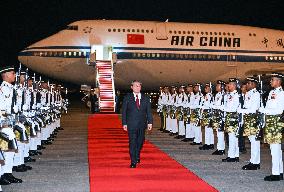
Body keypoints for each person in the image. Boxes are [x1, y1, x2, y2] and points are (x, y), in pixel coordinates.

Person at [122, 80, 153, 168]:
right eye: (136, 86)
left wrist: (150, 122)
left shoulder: (145, 98)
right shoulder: (127, 97)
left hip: (142, 124)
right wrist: (124, 123)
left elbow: (149, 111)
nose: (137, 87)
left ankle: (137, 153)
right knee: (132, 142)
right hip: (131, 124)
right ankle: (133, 161)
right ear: (132, 87)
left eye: (139, 86)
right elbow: (124, 111)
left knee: (140, 141)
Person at [259, 73, 284, 181]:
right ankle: (280, 171)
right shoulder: (272, 92)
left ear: (278, 81)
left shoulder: (282, 93)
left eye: (272, 80)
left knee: (275, 149)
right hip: (270, 122)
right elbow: (269, 106)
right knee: (275, 149)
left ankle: (275, 174)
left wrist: (264, 110)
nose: (270, 81)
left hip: (276, 123)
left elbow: (279, 110)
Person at [239, 77, 260, 170]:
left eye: (248, 83)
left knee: (254, 141)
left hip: (253, 119)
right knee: (251, 140)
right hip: (248, 118)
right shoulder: (248, 93)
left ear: (253, 84)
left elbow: (253, 109)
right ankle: (253, 161)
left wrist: (241, 110)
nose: (246, 85)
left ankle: (255, 163)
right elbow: (246, 106)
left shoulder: (256, 94)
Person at [222, 78, 240, 162]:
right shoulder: (230, 95)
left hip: (233, 118)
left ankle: (232, 156)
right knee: (233, 137)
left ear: (234, 85)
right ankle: (235, 155)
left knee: (232, 137)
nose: (228, 86)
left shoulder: (236, 95)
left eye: (230, 84)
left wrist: (222, 108)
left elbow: (233, 108)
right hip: (229, 117)